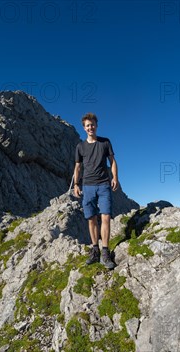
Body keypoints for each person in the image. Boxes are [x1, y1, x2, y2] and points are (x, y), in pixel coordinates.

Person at [73, 112, 118, 269]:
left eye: (92, 124)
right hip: (88, 186)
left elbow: (112, 161)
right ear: (84, 128)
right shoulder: (80, 147)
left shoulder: (105, 142)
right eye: (87, 125)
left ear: (96, 126)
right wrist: (76, 184)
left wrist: (115, 178)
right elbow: (77, 167)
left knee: (105, 217)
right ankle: (95, 250)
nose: (90, 127)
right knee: (91, 219)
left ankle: (105, 253)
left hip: (104, 185)